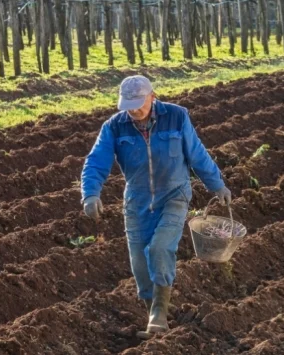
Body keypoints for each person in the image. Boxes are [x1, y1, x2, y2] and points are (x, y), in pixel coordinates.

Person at [80, 75, 231, 338]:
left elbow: (197, 154)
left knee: (160, 247)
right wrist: (90, 194)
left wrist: (216, 184)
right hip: (136, 201)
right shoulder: (114, 127)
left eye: (139, 103)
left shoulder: (176, 117)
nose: (134, 109)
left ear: (153, 96)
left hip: (174, 195)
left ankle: (159, 313)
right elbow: (96, 161)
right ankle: (154, 315)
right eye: (129, 104)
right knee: (139, 262)